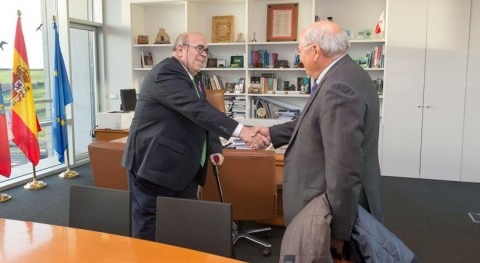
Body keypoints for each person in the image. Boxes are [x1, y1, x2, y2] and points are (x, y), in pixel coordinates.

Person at [254, 21, 383, 259]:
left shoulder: (338, 86)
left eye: (299, 50)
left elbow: (344, 167)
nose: (299, 58)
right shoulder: (347, 73)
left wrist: (338, 232)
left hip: (330, 210)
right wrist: (271, 133)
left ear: (315, 50)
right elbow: (315, 121)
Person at [121, 32, 267, 240]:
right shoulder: (166, 73)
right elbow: (195, 109)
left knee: (179, 231)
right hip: (154, 168)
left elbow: (203, 112)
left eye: (206, 50)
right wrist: (242, 131)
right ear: (180, 49)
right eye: (199, 48)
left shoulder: (194, 78)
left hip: (183, 171)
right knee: (150, 234)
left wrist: (215, 147)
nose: (204, 54)